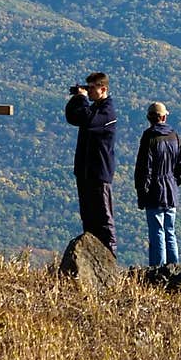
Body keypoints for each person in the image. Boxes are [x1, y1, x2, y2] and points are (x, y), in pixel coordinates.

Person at [65, 71, 118, 256]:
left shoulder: (107, 112)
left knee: (103, 217)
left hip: (99, 173)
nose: (90, 92)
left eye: (92, 88)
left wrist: (82, 98)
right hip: (85, 172)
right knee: (88, 217)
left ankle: (110, 254)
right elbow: (73, 118)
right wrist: (78, 98)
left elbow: (87, 120)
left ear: (103, 89)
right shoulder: (95, 108)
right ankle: (92, 254)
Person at [134, 101, 181, 267]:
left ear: (149, 118)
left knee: (157, 232)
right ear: (164, 117)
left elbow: (145, 169)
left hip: (154, 192)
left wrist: (142, 193)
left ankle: (158, 271)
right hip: (171, 191)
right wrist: (173, 182)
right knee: (170, 232)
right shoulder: (174, 136)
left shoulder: (149, 138)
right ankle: (174, 269)